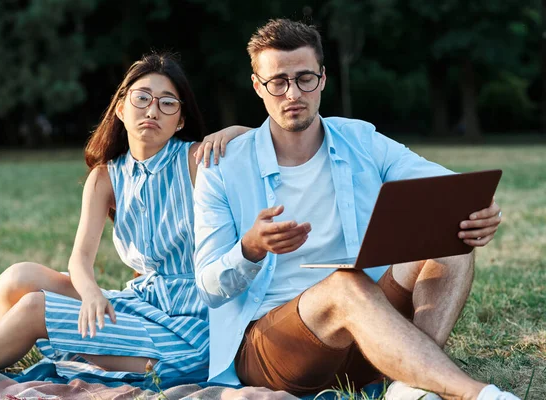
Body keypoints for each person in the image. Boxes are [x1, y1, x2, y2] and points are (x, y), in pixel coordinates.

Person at [193, 19, 517, 400]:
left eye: (305, 79)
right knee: (345, 286)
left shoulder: (360, 139)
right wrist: (250, 248)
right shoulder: (222, 168)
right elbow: (208, 289)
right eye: (278, 82)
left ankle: (409, 386)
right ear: (257, 86)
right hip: (276, 348)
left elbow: (447, 186)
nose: (293, 93)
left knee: (450, 237)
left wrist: (480, 209)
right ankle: (477, 394)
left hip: (369, 332)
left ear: (324, 78)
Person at [0, 52, 249, 384]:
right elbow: (80, 258)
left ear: (179, 120)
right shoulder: (106, 177)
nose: (152, 111)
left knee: (35, 308)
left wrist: (236, 131)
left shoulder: (196, 159)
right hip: (141, 303)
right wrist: (91, 293)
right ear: (120, 108)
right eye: (142, 98)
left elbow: (273, 143)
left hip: (190, 326)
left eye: (167, 103)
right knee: (17, 278)